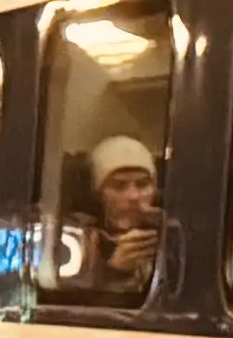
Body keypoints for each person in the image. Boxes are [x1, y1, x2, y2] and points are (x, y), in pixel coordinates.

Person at [62, 131, 164, 307]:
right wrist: (115, 272)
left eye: (143, 184)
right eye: (118, 185)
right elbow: (69, 310)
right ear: (97, 194)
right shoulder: (73, 240)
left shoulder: (172, 236)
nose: (133, 196)